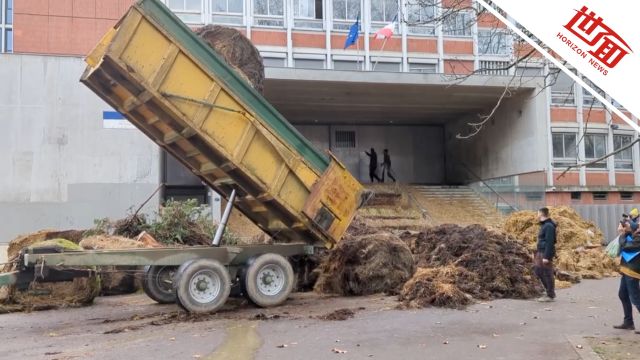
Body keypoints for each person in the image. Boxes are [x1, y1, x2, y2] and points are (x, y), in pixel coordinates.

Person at [613, 220, 640, 331]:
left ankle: (628, 322)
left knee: (636, 298)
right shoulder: (635, 235)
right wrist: (627, 228)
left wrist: (622, 234)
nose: (638, 228)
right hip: (626, 270)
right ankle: (628, 322)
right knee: (623, 294)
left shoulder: (638, 239)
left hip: (633, 272)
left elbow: (626, 246)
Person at [534, 207, 556, 302]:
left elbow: (550, 242)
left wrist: (547, 256)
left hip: (545, 253)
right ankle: (548, 291)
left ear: (541, 214)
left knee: (547, 273)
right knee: (538, 271)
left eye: (537, 213)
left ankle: (550, 295)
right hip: (540, 251)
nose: (537, 215)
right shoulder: (544, 225)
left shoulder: (549, 226)